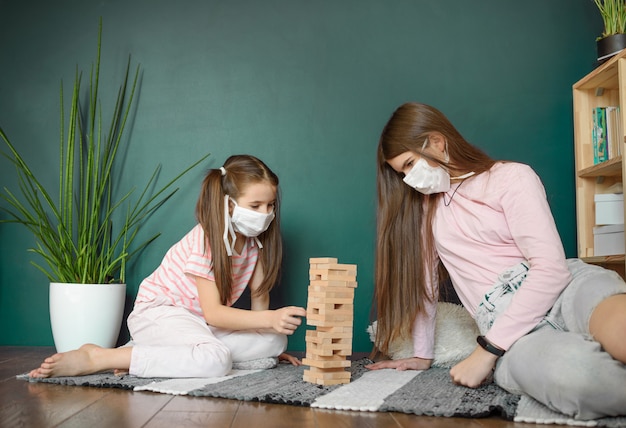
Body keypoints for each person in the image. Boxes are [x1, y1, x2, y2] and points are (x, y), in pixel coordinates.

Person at [365, 102, 626, 419]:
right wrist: (422, 355)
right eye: (400, 173)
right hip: (504, 325)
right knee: (583, 380)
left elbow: (552, 269)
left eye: (409, 164)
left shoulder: (511, 177)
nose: (408, 178)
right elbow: (426, 288)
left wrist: (486, 351)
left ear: (436, 142)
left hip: (562, 287)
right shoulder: (425, 213)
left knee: (619, 326)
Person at [29, 154, 306, 379]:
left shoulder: (255, 245)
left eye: (270, 206)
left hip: (197, 323)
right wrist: (270, 320)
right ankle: (101, 356)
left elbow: (260, 303)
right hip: (161, 314)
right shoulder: (207, 241)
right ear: (228, 204)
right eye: (255, 205)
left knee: (275, 342)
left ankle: (160, 353)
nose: (265, 215)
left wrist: (265, 343)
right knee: (216, 360)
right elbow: (215, 314)